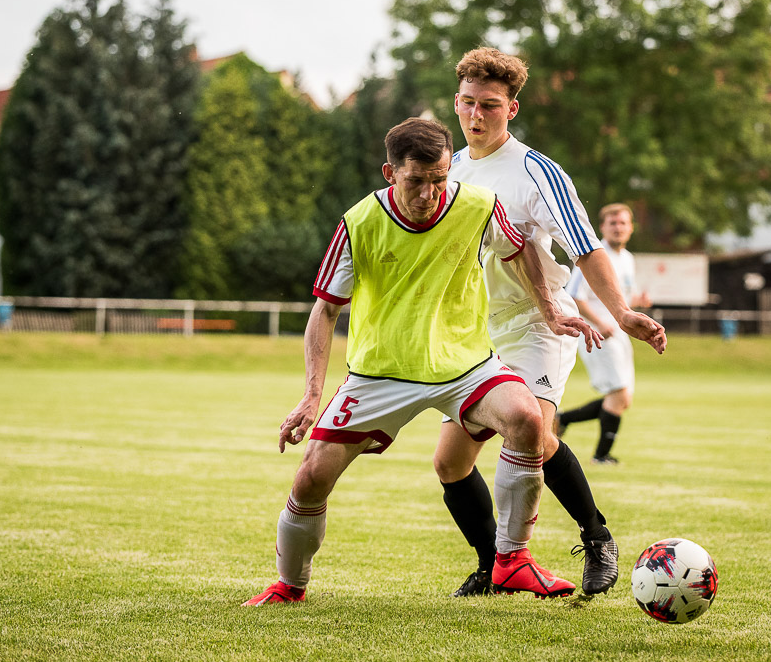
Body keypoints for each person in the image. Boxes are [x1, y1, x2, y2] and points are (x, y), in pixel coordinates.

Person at [243, 117, 599, 605]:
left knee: (525, 418)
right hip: (378, 373)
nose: (430, 193)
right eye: (417, 181)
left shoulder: (478, 206)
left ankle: (512, 560)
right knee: (310, 478)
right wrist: (310, 397)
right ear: (390, 173)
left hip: (464, 364)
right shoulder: (358, 223)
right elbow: (325, 310)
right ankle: (290, 586)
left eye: (439, 180)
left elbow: (518, 250)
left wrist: (550, 309)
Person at [436, 47, 668, 598]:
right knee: (450, 463)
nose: (476, 116)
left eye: (489, 105)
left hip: (541, 324)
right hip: (480, 331)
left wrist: (622, 312)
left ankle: (596, 537)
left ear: (511, 109)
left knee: (536, 437)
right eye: (467, 103)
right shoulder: (452, 170)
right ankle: (493, 564)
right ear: (455, 102)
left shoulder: (536, 172)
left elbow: (585, 249)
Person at [556, 203, 652, 465]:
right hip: (597, 334)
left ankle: (562, 419)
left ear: (631, 227)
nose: (618, 228)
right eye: (613, 223)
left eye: (622, 223)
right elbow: (574, 296)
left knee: (623, 399)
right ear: (603, 228)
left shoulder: (627, 259)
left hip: (618, 333)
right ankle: (601, 455)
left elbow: (616, 296)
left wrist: (637, 301)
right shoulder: (594, 256)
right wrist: (601, 322)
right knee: (618, 395)